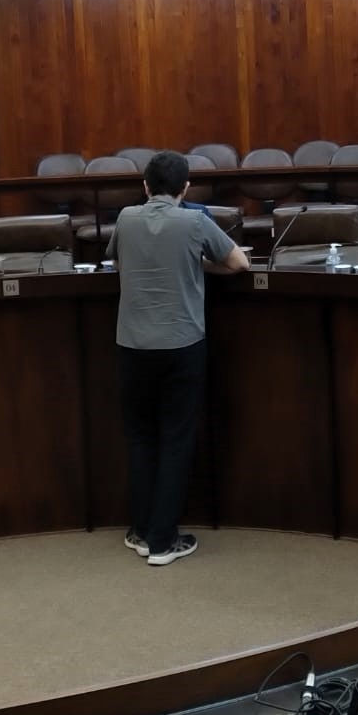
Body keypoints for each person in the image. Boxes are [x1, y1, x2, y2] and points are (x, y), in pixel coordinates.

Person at [106, 150, 250, 566]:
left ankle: (140, 530)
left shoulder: (126, 219)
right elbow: (239, 262)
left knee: (139, 438)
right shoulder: (194, 222)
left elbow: (119, 262)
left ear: (145, 186)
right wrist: (196, 265)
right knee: (175, 441)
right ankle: (163, 541)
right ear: (186, 188)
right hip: (181, 346)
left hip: (132, 345)